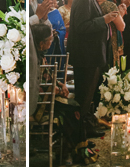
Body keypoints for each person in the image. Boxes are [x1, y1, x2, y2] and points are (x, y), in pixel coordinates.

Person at [32, 23, 97, 165]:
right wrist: (54, 89)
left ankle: (73, 146)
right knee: (73, 108)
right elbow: (37, 84)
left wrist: (60, 84)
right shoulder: (34, 58)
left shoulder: (40, 53)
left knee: (71, 109)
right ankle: (74, 147)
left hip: (50, 96)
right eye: (50, 38)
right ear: (42, 43)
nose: (52, 41)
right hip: (41, 103)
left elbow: (48, 75)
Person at [67, 0, 117, 136]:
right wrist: (104, 20)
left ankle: (86, 126)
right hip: (86, 55)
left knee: (88, 94)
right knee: (84, 94)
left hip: (90, 54)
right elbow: (82, 27)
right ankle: (81, 130)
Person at [97, 0, 126, 67]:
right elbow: (121, 26)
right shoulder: (110, 5)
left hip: (98, 39)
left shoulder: (96, 2)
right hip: (110, 40)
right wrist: (121, 14)